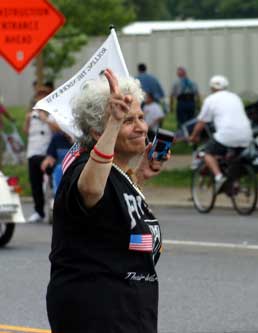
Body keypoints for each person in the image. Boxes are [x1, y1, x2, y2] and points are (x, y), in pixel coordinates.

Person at [46, 69, 169, 332]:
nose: (140, 127)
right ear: (97, 132)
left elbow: (113, 210)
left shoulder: (119, 174)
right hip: (97, 314)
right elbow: (90, 192)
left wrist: (141, 173)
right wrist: (113, 123)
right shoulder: (82, 171)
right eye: (127, 121)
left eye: (140, 117)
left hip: (130, 310)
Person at [188, 75, 252, 192]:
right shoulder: (235, 97)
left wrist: (193, 136)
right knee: (234, 158)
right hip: (246, 135)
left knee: (206, 153)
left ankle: (218, 177)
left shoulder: (210, 100)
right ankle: (235, 182)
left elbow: (201, 123)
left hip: (227, 135)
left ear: (212, 88)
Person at [24, 83, 57, 222]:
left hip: (47, 154)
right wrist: (27, 120)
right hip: (33, 152)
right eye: (39, 95)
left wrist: (46, 119)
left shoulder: (53, 114)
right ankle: (38, 211)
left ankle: (53, 205)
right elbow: (26, 131)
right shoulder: (31, 115)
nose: (41, 97)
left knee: (52, 180)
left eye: (44, 95)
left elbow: (57, 130)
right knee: (35, 183)